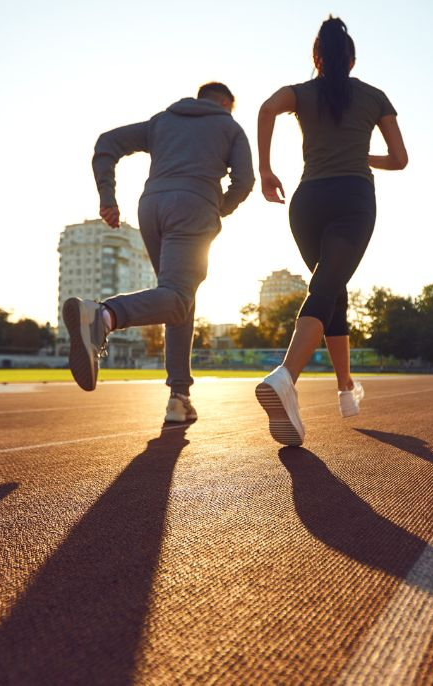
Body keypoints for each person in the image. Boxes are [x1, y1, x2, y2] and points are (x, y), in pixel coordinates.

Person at [253, 16, 408, 446]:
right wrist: (362, 155)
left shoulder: (300, 93)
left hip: (307, 202)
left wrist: (265, 171)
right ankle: (287, 377)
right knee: (325, 290)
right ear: (352, 59)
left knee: (331, 288)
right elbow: (400, 159)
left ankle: (345, 390)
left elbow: (266, 108)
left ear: (316, 57)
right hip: (352, 199)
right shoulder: (374, 97)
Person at [65, 82, 254, 423]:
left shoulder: (162, 121)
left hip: (151, 207)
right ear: (226, 103)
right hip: (194, 206)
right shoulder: (230, 126)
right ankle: (103, 316)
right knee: (178, 297)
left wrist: (107, 197)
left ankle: (179, 397)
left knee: (177, 300)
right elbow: (244, 180)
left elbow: (107, 143)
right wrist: (220, 206)